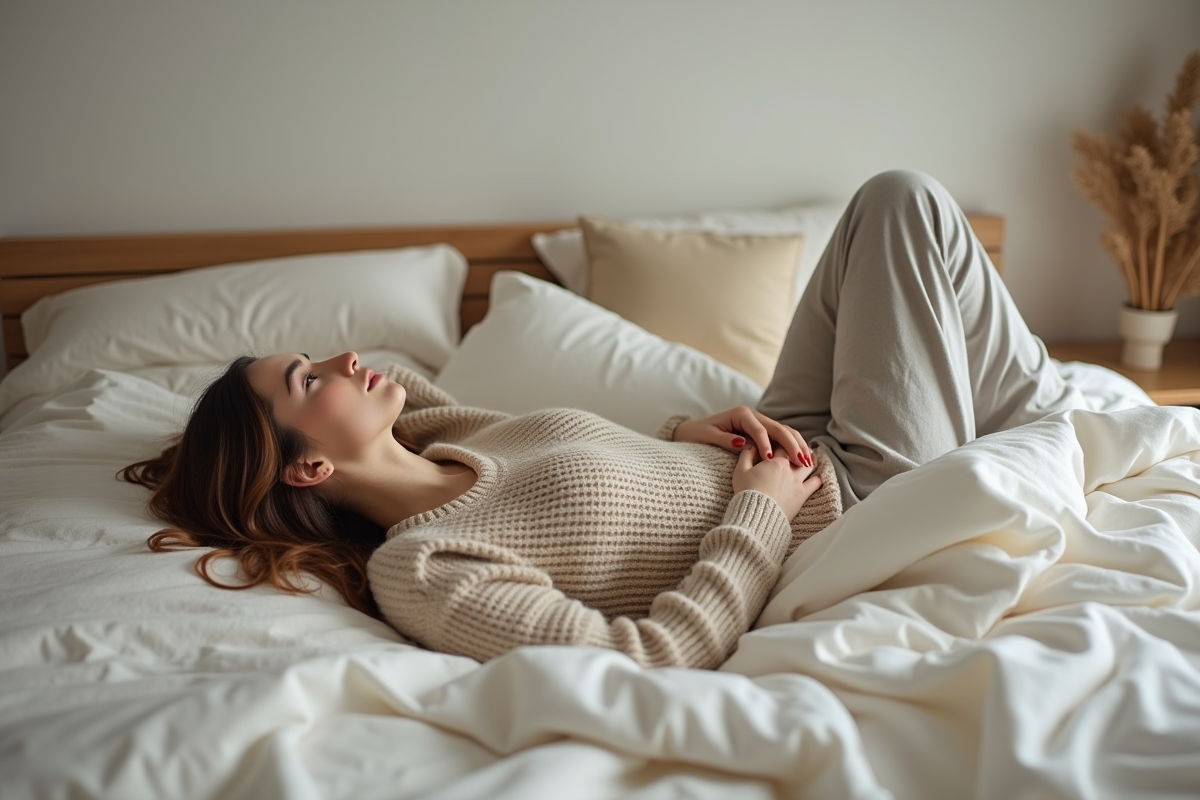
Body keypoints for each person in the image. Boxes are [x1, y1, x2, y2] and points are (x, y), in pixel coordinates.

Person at [122, 170, 1085, 670]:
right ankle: (1042, 416)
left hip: (769, 447)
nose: (343, 358)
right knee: (915, 207)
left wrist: (684, 433)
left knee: (887, 201)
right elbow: (654, 658)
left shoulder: (437, 432)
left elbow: (459, 402)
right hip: (834, 508)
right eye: (305, 377)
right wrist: (755, 512)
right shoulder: (423, 570)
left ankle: (1032, 408)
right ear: (305, 470)